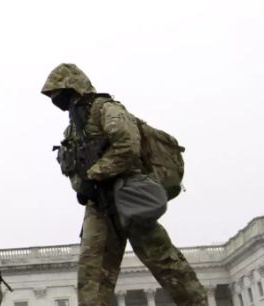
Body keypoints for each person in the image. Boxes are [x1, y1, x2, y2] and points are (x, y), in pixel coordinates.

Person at [41, 63, 206, 305]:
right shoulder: (73, 128)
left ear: (74, 87)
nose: (57, 100)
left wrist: (94, 174)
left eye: (60, 93)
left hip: (129, 194)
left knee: (166, 265)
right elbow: (75, 165)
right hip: (99, 205)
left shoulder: (105, 109)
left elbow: (128, 146)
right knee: (91, 277)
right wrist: (81, 185)